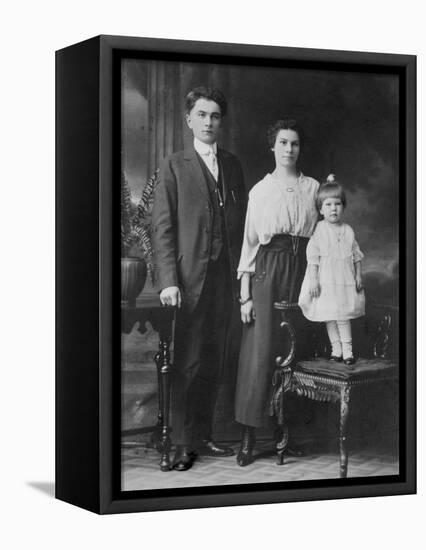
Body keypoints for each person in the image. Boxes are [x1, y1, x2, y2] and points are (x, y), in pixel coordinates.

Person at [152, 86, 246, 471]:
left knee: (214, 361)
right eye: (202, 115)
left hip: (225, 279)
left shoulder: (234, 165)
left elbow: (242, 226)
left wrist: (244, 279)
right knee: (187, 363)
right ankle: (180, 444)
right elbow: (162, 228)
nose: (209, 122)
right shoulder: (174, 165)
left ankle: (203, 435)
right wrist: (168, 280)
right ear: (189, 119)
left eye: (215, 116)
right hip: (189, 282)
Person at [235, 119, 320, 466]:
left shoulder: (314, 188)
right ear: (272, 147)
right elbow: (250, 243)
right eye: (283, 143)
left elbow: (324, 234)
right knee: (260, 352)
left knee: (297, 352)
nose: (289, 149)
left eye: (295, 143)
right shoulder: (260, 190)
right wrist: (246, 294)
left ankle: (288, 433)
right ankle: (249, 437)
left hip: (303, 271)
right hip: (269, 271)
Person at [298, 175, 365, 365]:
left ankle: (348, 351)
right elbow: (313, 258)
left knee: (342, 316)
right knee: (329, 317)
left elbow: (357, 255)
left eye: (337, 204)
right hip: (326, 280)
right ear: (320, 209)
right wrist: (313, 281)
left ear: (343, 206)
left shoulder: (348, 230)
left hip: (344, 281)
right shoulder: (318, 230)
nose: (333, 209)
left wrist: (359, 276)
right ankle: (336, 348)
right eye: (328, 205)